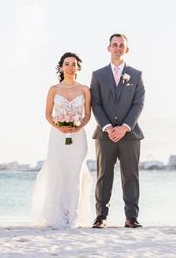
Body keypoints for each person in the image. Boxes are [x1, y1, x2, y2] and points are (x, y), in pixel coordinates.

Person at [31, 52, 92, 228]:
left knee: (75, 175)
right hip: (57, 137)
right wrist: (59, 126)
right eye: (67, 64)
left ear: (78, 67)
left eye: (74, 64)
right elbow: (47, 114)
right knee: (57, 173)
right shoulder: (54, 89)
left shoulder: (85, 90)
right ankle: (57, 214)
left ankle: (73, 215)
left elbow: (87, 114)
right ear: (61, 67)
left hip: (78, 137)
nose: (70, 67)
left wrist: (78, 126)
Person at [90, 34, 145, 229]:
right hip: (104, 135)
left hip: (130, 135)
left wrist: (124, 127)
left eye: (122, 45)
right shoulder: (98, 75)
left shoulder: (136, 75)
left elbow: (138, 104)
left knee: (130, 176)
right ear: (109, 48)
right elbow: (95, 103)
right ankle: (101, 216)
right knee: (104, 176)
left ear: (126, 50)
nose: (118, 48)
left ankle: (131, 217)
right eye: (115, 45)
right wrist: (107, 127)